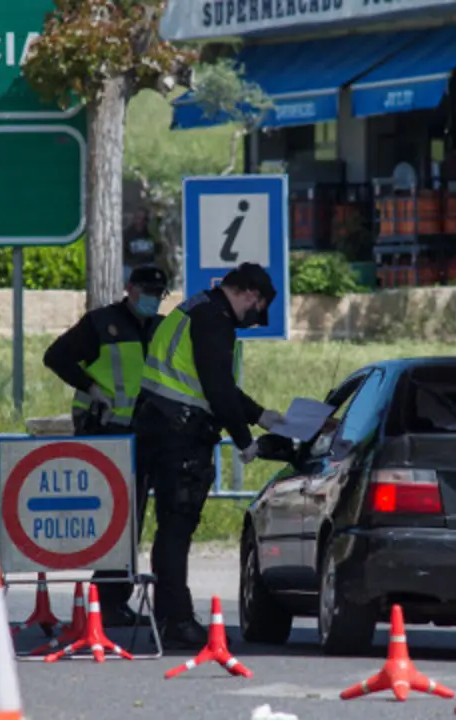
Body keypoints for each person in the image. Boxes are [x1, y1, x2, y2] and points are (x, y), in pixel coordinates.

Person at [134, 262, 284, 649]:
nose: (255, 319)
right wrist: (245, 441)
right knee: (176, 527)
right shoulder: (215, 320)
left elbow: (214, 382)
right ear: (251, 294)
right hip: (180, 435)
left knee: (167, 529)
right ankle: (177, 621)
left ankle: (170, 614)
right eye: (259, 308)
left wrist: (261, 415)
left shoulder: (192, 310)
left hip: (156, 424)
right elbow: (216, 386)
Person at [42, 265, 169, 627]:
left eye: (158, 294)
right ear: (129, 288)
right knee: (113, 516)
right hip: (104, 430)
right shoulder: (101, 322)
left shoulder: (160, 328)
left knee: (132, 517)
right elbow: (56, 357)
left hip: (143, 432)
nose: (151, 300)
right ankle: (106, 599)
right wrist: (93, 389)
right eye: (146, 291)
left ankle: (111, 598)